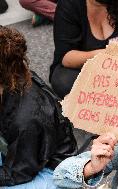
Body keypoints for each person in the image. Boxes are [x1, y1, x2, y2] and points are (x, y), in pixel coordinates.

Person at [0, 26, 78, 188]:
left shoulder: (26, 119)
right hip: (21, 145)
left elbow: (18, 173)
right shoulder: (14, 74)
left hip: (51, 170)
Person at [49, 0, 118, 99]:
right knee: (64, 80)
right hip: (85, 68)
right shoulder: (70, 4)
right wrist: (100, 55)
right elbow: (66, 57)